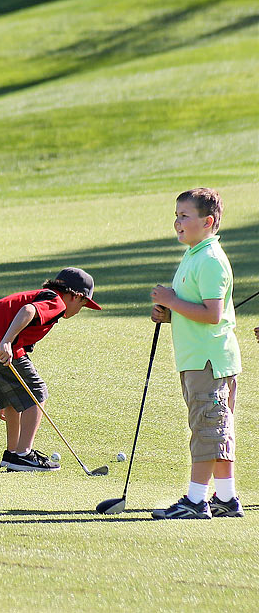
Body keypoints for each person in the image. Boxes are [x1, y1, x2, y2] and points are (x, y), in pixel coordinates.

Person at [149, 187, 242, 519]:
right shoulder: (194, 254)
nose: (177, 223)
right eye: (176, 216)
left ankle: (196, 500)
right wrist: (170, 312)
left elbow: (213, 314)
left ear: (208, 221)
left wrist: (172, 301)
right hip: (198, 360)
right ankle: (226, 500)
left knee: (208, 430)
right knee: (216, 429)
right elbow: (197, 309)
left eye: (184, 216)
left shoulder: (210, 259)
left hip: (209, 362)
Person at [0, 268, 101, 471]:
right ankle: (24, 454)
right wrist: (7, 342)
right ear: (76, 296)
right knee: (37, 392)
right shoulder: (56, 302)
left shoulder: (46, 296)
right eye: (82, 304)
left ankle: (12, 454)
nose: (79, 310)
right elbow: (28, 311)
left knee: (15, 399)